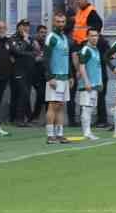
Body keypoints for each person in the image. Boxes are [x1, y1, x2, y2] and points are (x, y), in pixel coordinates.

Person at [43, 12, 72, 143]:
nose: (61, 24)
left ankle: (59, 135)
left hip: (64, 77)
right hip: (55, 77)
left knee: (61, 105)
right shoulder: (51, 37)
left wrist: (70, 76)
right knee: (52, 105)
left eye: (63, 22)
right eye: (58, 22)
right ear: (54, 23)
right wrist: (50, 77)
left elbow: (67, 58)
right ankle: (50, 136)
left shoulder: (65, 38)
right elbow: (46, 59)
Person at [74, 29, 105, 141]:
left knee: (90, 108)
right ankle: (86, 132)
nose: (94, 38)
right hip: (87, 85)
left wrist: (100, 82)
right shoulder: (86, 50)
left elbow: (98, 67)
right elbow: (81, 67)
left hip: (94, 84)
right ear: (87, 37)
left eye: (96, 36)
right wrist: (86, 81)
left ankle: (88, 131)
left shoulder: (96, 50)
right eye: (92, 36)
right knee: (86, 108)